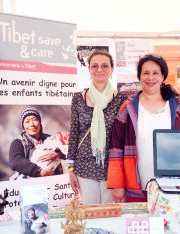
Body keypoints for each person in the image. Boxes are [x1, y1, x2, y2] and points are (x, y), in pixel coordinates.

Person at [107, 54, 180, 203]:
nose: (150, 77)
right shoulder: (128, 107)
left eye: (155, 73)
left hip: (174, 185)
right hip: (136, 186)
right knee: (139, 225)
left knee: (169, 225)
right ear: (139, 76)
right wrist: (117, 184)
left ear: (163, 76)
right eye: (146, 73)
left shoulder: (179, 105)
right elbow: (115, 147)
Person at [67, 50, 128, 204]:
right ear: (89, 70)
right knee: (90, 214)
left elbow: (124, 137)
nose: (99, 70)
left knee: (110, 213)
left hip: (111, 165)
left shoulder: (121, 99)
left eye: (104, 66)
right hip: (84, 165)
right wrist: (70, 170)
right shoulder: (78, 98)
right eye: (94, 66)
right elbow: (74, 133)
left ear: (112, 70)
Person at [9, 106, 66, 178]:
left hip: (54, 183)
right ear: (23, 126)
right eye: (27, 121)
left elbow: (69, 150)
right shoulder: (18, 142)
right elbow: (15, 162)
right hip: (31, 184)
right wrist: (38, 171)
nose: (32, 124)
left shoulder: (49, 138)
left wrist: (58, 153)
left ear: (40, 122)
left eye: (35, 119)